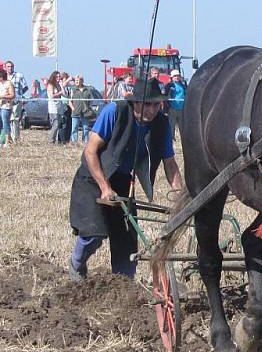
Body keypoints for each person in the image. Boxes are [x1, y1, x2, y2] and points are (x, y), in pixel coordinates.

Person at [68, 77, 183, 280]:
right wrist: (104, 186)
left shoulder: (162, 123)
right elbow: (90, 151)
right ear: (135, 102)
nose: (152, 109)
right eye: (147, 104)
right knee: (93, 233)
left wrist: (180, 195)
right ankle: (77, 264)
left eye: (156, 104)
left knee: (127, 241)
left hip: (121, 181)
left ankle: (123, 284)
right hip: (93, 178)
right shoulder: (114, 111)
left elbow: (170, 162)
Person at [3, 61, 28, 144]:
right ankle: (8, 138)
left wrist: (19, 95)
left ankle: (16, 138)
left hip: (16, 101)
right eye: (8, 66)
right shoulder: (3, 77)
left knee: (15, 120)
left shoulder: (19, 75)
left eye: (11, 66)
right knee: (7, 120)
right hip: (6, 101)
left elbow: (25, 87)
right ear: (5, 67)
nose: (10, 68)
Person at [69, 73, 95, 144]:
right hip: (76, 111)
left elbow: (91, 100)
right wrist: (73, 108)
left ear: (82, 81)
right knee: (74, 128)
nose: (76, 82)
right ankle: (74, 142)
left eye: (78, 80)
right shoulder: (73, 90)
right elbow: (70, 101)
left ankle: (85, 141)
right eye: (75, 80)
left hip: (85, 112)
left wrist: (89, 107)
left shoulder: (88, 90)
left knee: (85, 128)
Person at [0, 69, 15, 145]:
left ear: (1, 77)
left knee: (5, 123)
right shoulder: (0, 84)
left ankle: (7, 141)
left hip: (6, 107)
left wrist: (2, 97)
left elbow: (12, 95)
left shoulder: (9, 84)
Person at [167, 69, 187, 140]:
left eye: (178, 76)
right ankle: (171, 139)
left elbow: (186, 93)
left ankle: (184, 139)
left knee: (182, 126)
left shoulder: (183, 85)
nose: (177, 77)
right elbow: (166, 95)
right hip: (173, 109)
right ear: (172, 77)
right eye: (175, 76)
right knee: (171, 126)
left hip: (181, 109)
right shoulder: (170, 85)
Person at [45, 71, 63, 144]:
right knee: (55, 124)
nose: (59, 78)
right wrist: (60, 92)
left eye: (60, 77)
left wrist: (61, 86)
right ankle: (51, 140)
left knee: (58, 124)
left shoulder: (58, 85)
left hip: (59, 107)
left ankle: (54, 140)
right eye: (57, 77)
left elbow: (63, 93)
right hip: (53, 108)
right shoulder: (50, 85)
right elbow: (52, 96)